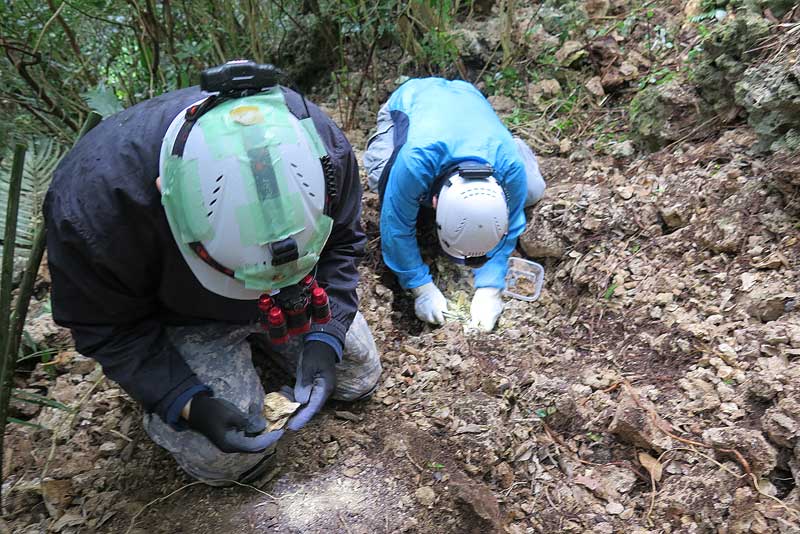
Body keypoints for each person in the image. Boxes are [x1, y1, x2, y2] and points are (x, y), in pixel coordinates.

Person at [44, 61, 381, 485]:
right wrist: (185, 401)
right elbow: (108, 329)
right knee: (226, 460)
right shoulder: (96, 209)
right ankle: (212, 363)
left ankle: (275, 335)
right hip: (184, 317)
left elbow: (343, 245)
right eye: (234, 269)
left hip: (295, 291)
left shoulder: (318, 144)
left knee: (358, 373)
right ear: (165, 199)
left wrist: (326, 335)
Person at [363, 77, 546, 332]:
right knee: (383, 177)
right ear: (435, 202)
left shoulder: (510, 168)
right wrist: (421, 287)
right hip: (414, 99)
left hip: (469, 100)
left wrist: (490, 288)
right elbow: (395, 226)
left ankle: (514, 143)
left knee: (532, 190)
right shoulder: (415, 162)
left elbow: (511, 225)